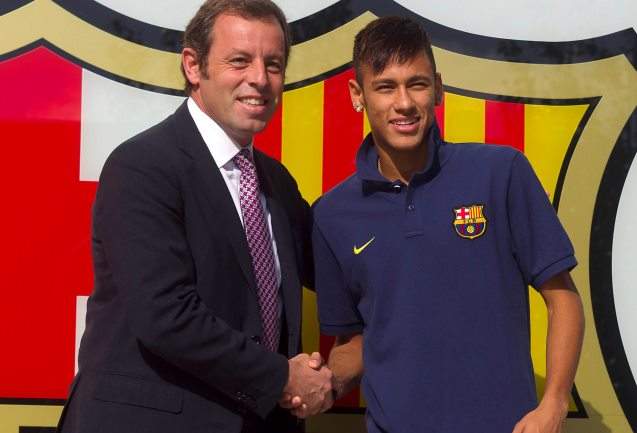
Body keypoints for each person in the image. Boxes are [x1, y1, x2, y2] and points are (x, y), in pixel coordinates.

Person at [56, 1, 333, 432]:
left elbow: (333, 270)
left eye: (273, 64)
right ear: (193, 65)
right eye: (239, 60)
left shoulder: (276, 182)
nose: (259, 79)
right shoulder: (143, 166)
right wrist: (282, 377)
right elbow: (166, 316)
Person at [311, 16, 585, 433]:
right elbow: (359, 342)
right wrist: (319, 382)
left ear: (437, 88)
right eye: (385, 87)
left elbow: (562, 299)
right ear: (357, 95)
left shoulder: (501, 173)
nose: (404, 103)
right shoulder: (332, 214)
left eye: (417, 84)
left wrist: (554, 403)